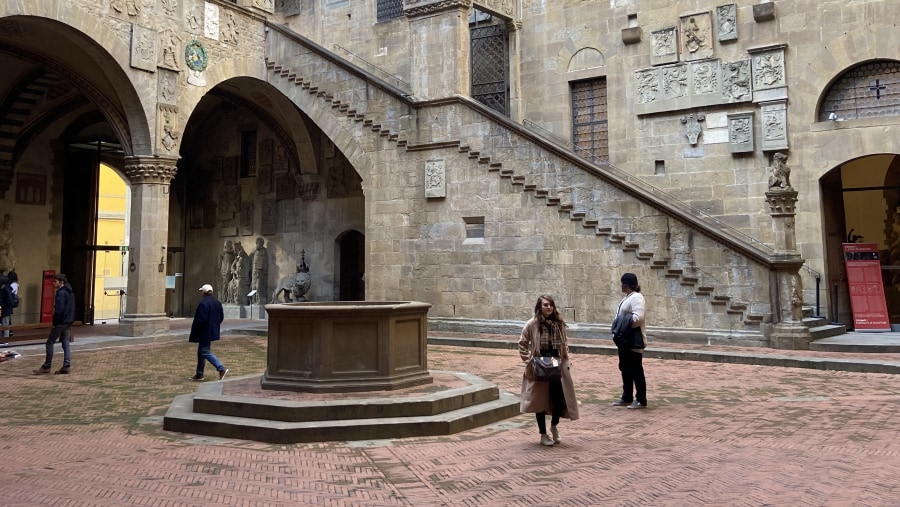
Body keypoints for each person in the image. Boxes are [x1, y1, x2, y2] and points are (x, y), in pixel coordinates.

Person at [518, 294, 579, 446]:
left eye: (551, 305)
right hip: (539, 364)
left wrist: (566, 359)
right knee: (540, 401)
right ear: (539, 307)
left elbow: (564, 343)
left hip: (556, 363)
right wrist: (529, 361)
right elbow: (522, 343)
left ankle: (554, 425)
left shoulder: (558, 323)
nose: (549, 307)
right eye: (545, 305)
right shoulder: (533, 324)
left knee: (559, 399)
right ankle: (543, 434)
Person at [611, 273, 648, 409]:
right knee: (625, 368)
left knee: (636, 369)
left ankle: (641, 399)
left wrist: (621, 322)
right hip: (625, 340)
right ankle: (627, 397)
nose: (621, 285)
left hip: (633, 340)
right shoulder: (628, 298)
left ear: (627, 284)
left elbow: (638, 318)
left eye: (622, 283)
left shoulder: (637, 298)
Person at [33, 274, 75, 375]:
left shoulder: (61, 293)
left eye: (55, 281)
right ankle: (66, 365)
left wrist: (55, 323)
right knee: (65, 342)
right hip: (68, 321)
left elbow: (59, 310)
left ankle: (47, 366)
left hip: (61, 322)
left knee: (50, 342)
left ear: (61, 282)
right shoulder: (71, 292)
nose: (53, 283)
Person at [188, 283, 228, 381]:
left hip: (204, 331)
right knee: (201, 352)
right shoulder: (217, 302)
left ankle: (220, 368)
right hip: (212, 330)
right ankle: (199, 373)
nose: (201, 293)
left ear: (204, 292)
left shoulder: (204, 303)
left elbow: (202, 319)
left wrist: (197, 328)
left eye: (201, 291)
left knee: (205, 352)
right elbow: (221, 317)